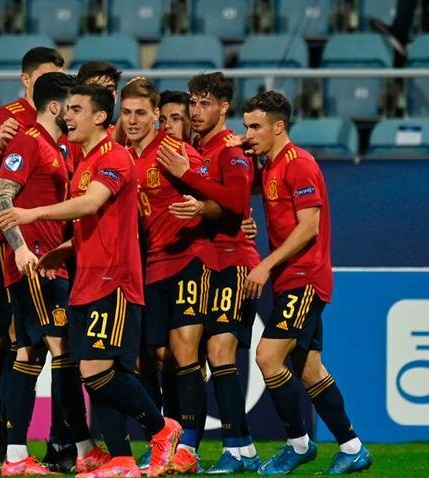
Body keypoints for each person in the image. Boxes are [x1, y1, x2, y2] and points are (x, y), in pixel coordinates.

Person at [0, 84, 182, 478]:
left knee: (99, 370)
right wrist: (66, 249)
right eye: (67, 109)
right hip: (87, 277)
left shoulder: (115, 157)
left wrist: (32, 215)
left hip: (114, 280)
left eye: (76, 109)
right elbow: (93, 221)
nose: (68, 115)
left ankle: (161, 428)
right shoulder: (83, 160)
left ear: (100, 116)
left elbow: (92, 203)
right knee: (93, 375)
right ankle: (121, 460)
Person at [237, 91, 372, 475]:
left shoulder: (300, 165)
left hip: (305, 277)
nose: (249, 133)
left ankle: (298, 444)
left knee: (267, 357)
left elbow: (309, 227)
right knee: (310, 369)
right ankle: (353, 447)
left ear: (279, 127)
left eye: (255, 126)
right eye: (245, 126)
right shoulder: (270, 166)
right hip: (290, 278)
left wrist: (266, 264)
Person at [0, 72, 110, 476]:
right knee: (61, 351)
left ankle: (15, 455)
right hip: (36, 264)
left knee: (31, 353)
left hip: (49, 262)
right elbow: (1, 197)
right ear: (56, 107)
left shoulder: (53, 146)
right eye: (72, 105)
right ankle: (82, 448)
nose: (76, 112)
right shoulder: (28, 142)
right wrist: (21, 248)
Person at [0, 46, 69, 473]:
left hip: (42, 245)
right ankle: (3, 448)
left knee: (16, 345)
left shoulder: (64, 125)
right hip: (3, 244)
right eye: (47, 76)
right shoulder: (6, 118)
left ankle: (15, 449)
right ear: (27, 80)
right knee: (8, 342)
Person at [157, 72, 262, 474]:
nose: (196, 112)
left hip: (234, 262)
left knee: (219, 351)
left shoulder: (228, 150)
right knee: (197, 353)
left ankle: (238, 447)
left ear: (223, 107)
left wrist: (191, 176)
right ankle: (229, 446)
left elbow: (236, 200)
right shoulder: (202, 147)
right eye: (193, 104)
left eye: (205, 104)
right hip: (209, 263)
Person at [120, 78, 215, 474]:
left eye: (141, 113)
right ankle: (165, 435)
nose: (133, 120)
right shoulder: (123, 156)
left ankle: (188, 448)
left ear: (156, 116)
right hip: (149, 266)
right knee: (154, 358)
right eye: (126, 113)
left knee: (185, 353)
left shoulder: (175, 150)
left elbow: (219, 192)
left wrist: (206, 211)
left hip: (187, 259)